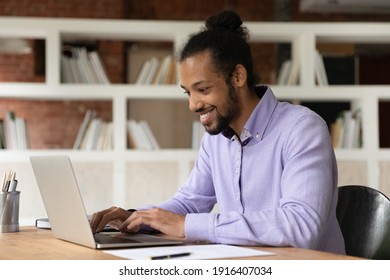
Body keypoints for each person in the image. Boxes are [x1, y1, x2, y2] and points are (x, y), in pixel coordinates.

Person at [91, 10, 345, 254]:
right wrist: (136, 217)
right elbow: (189, 202)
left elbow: (301, 227)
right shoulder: (215, 141)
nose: (193, 104)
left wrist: (186, 225)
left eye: (202, 89)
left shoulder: (302, 129)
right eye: (188, 92)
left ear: (237, 76)